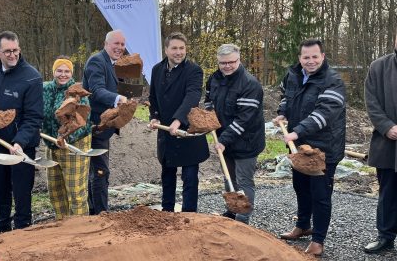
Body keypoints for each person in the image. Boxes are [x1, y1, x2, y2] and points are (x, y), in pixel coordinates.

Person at [274, 38, 346, 257]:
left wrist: (298, 131)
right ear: (300, 58)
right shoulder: (293, 75)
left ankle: (318, 240)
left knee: (321, 194)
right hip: (298, 147)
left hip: (323, 149)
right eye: (306, 57)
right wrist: (282, 112)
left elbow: (325, 113)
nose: (311, 61)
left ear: (323, 57)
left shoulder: (332, 81)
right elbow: (286, 96)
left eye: (315, 56)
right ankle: (303, 225)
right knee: (301, 187)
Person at [0, 30, 43, 232]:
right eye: (7, 51)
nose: (12, 55)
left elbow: (34, 117)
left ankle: (23, 227)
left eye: (15, 50)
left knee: (22, 191)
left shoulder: (31, 77)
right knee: (1, 188)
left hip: (21, 148)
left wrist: (20, 142)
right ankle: (3, 225)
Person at [148, 32, 210, 212]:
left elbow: (192, 95)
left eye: (181, 48)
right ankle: (166, 212)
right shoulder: (157, 70)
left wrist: (178, 120)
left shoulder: (193, 70)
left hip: (187, 132)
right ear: (166, 50)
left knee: (190, 177)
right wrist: (155, 116)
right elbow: (154, 97)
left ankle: (189, 215)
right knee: (167, 174)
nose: (178, 52)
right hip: (166, 133)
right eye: (174, 48)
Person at [204, 43, 265, 223]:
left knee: (244, 181)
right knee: (228, 177)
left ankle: (242, 220)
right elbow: (208, 101)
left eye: (232, 62)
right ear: (218, 62)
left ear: (239, 60)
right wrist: (209, 117)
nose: (227, 66)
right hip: (225, 139)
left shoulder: (250, 84)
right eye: (223, 63)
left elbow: (244, 120)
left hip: (246, 140)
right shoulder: (214, 79)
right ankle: (231, 213)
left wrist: (223, 140)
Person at [82, 29, 128, 215]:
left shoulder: (115, 64)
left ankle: (93, 209)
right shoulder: (96, 61)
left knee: (97, 170)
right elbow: (96, 90)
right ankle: (102, 214)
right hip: (95, 126)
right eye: (115, 44)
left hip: (106, 127)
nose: (119, 48)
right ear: (105, 44)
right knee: (101, 171)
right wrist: (118, 99)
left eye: (122, 44)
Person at [42, 56, 92, 219]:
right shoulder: (45, 89)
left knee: (75, 190)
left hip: (74, 146)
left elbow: (84, 121)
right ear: (53, 71)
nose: (63, 74)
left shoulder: (77, 91)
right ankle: (62, 226)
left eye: (67, 71)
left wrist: (67, 138)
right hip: (51, 144)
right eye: (59, 70)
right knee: (56, 190)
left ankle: (80, 228)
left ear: (71, 73)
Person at [363, 39, 397, 254]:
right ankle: (385, 236)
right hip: (388, 143)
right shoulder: (378, 67)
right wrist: (387, 126)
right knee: (388, 193)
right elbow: (371, 101)